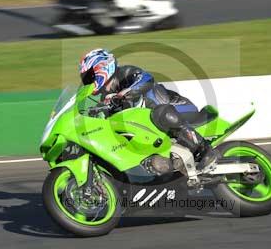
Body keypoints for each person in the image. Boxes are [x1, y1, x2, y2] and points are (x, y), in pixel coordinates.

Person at [79, 48, 218, 170]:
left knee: (160, 113)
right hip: (157, 129)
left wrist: (125, 93)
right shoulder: (105, 97)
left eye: (90, 77)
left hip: (179, 109)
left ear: (102, 67)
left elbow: (146, 79)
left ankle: (204, 149)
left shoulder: (125, 73)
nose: (89, 83)